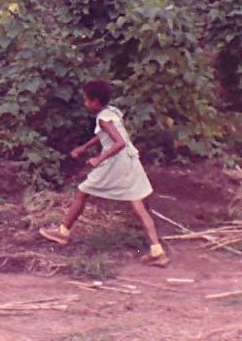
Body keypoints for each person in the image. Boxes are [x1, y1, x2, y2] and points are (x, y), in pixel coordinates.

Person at [39, 79, 169, 266]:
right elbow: (105, 135)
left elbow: (119, 142)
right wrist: (84, 147)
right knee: (138, 206)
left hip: (116, 163)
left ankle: (63, 233)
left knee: (82, 192)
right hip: (131, 161)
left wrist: (98, 159)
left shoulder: (102, 118)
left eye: (86, 100)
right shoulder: (112, 112)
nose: (85, 104)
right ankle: (157, 251)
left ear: (96, 101)